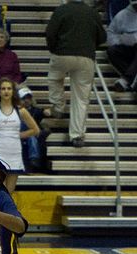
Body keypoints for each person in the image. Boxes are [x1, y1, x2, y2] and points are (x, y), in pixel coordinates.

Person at [46, 0, 106, 148]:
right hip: (86, 57)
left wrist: (54, 49)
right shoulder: (93, 12)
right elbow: (103, 37)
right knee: (81, 97)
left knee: (54, 78)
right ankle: (77, 135)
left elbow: (50, 33)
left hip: (62, 53)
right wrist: (90, 46)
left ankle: (58, 106)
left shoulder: (61, 10)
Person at [18, 86, 51, 173]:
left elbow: (44, 112)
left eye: (28, 98)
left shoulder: (35, 110)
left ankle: (34, 160)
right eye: (24, 98)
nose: (26, 100)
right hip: (18, 133)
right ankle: (34, 158)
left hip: (30, 134)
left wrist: (46, 112)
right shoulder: (15, 111)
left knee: (32, 136)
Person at [106, 0, 137, 92]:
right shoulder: (121, 15)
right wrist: (122, 40)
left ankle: (126, 79)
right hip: (128, 47)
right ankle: (132, 79)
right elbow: (110, 35)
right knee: (112, 51)